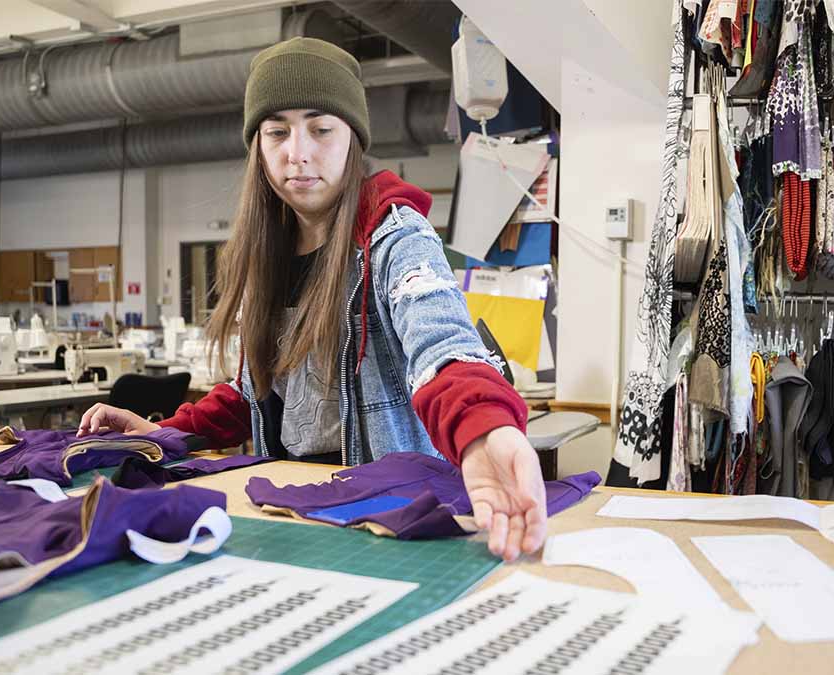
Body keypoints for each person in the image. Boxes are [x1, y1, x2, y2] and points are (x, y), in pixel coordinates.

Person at [77, 37, 546, 561]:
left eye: (321, 129)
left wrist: (484, 430)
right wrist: (166, 433)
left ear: (353, 139)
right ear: (258, 145)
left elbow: (441, 346)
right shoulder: (267, 256)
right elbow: (255, 390)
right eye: (277, 132)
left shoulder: (394, 238)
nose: (297, 152)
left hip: (383, 517)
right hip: (293, 510)